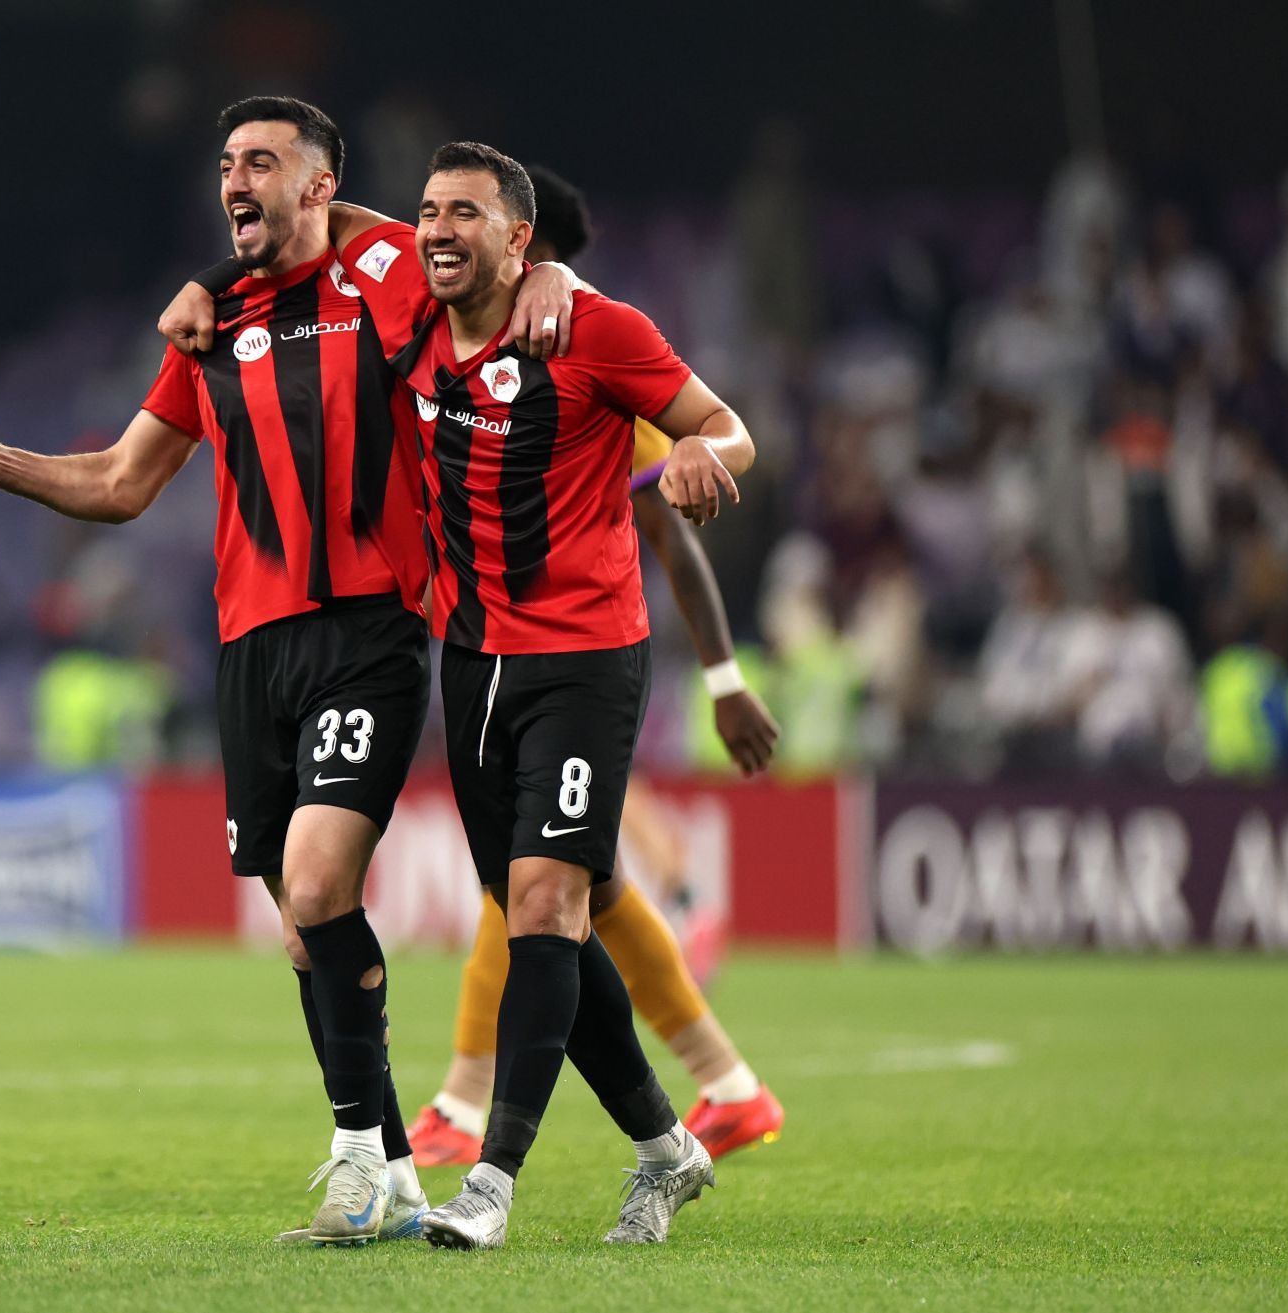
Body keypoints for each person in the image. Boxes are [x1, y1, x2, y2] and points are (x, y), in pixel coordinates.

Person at [0, 97, 579, 1247]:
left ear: (320, 186)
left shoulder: (379, 270)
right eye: (227, 162)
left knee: (322, 884)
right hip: (251, 648)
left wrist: (551, 280)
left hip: (370, 629)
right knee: (301, 927)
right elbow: (123, 484)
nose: (237, 179)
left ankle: (350, 1156)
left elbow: (469, 251)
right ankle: (388, 1173)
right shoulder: (211, 323)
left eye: (265, 162)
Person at [326, 142, 755, 1248]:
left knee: (550, 907)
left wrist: (713, 453)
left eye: (465, 213)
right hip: (467, 666)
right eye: (427, 213)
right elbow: (320, 217)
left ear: (521, 241)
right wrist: (208, 286)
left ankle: (490, 1182)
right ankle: (667, 1149)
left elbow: (726, 424)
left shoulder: (596, 328)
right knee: (539, 928)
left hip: (584, 658)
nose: (436, 231)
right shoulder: (414, 308)